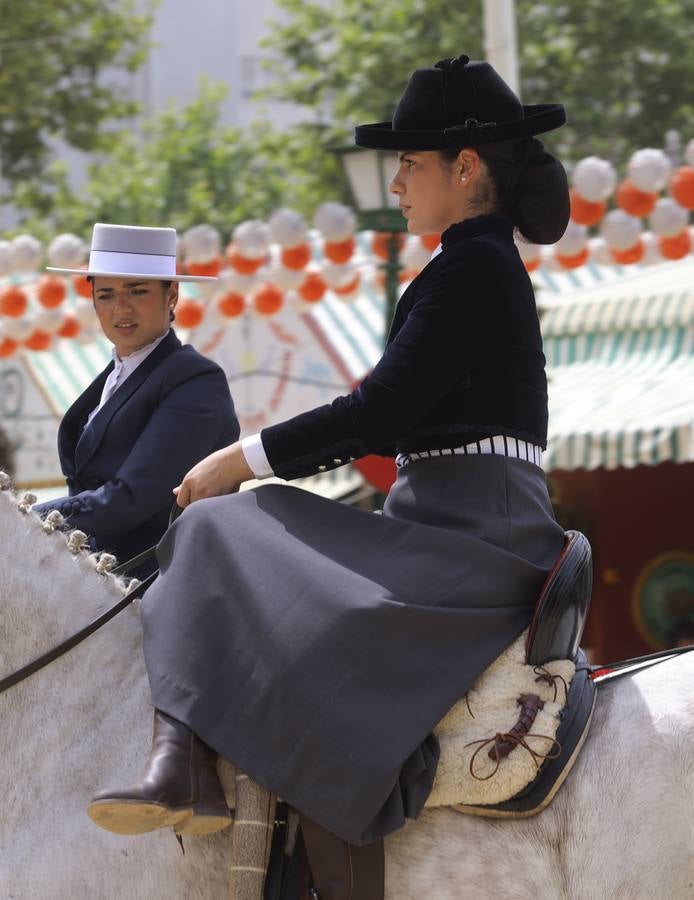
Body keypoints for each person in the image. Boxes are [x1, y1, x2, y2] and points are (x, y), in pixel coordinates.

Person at [89, 56, 570, 899]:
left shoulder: (476, 268)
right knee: (237, 537)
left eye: (411, 163)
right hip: (435, 529)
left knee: (217, 524)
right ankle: (185, 766)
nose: (397, 180)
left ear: (466, 169)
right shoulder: (469, 266)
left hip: (473, 545)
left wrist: (239, 459)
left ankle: (184, 766)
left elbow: (377, 414)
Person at [33, 224, 239, 575]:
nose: (120, 308)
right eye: (106, 294)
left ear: (171, 295)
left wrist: (25, 521)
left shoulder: (195, 380)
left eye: (137, 291)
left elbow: (131, 498)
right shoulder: (113, 378)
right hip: (94, 586)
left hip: (166, 585)